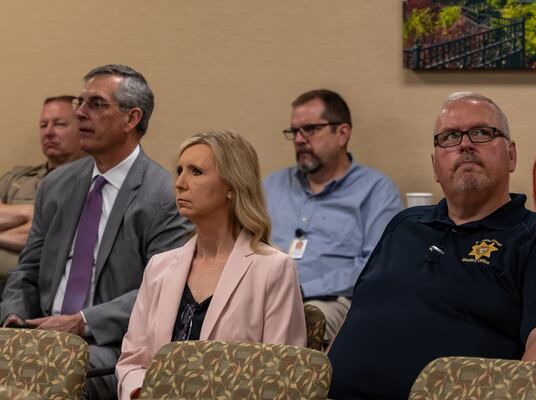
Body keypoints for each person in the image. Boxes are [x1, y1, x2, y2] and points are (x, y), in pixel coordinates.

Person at [327, 92, 536, 399]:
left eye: (481, 132)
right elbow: (356, 316)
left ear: (512, 155)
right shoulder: (403, 224)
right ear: (435, 166)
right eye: (450, 137)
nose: (465, 145)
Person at [0, 65, 193, 400]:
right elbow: (27, 271)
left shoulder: (163, 196)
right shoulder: (57, 186)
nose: (79, 113)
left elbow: (160, 293)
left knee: (50, 375)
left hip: (111, 347)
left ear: (131, 119)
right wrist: (15, 317)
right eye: (80, 101)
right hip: (38, 334)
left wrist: (82, 320)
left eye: (96, 104)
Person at [116, 130, 306, 400]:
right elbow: (132, 361)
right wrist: (141, 392)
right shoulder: (160, 266)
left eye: (196, 172)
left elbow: (280, 376)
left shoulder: (273, 268)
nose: (179, 183)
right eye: (179, 170)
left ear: (231, 185)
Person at [264, 89, 403, 342]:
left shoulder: (376, 190)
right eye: (295, 131)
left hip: (332, 299)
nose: (299, 139)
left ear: (342, 133)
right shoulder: (272, 186)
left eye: (310, 129)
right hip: (266, 294)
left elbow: (375, 266)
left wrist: (304, 288)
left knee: (305, 318)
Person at [0, 96, 85, 290]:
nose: (48, 132)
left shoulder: (90, 183)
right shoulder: (16, 178)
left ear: (83, 129)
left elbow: (51, 236)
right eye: (43, 125)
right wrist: (27, 214)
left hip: (38, 294)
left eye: (60, 124)